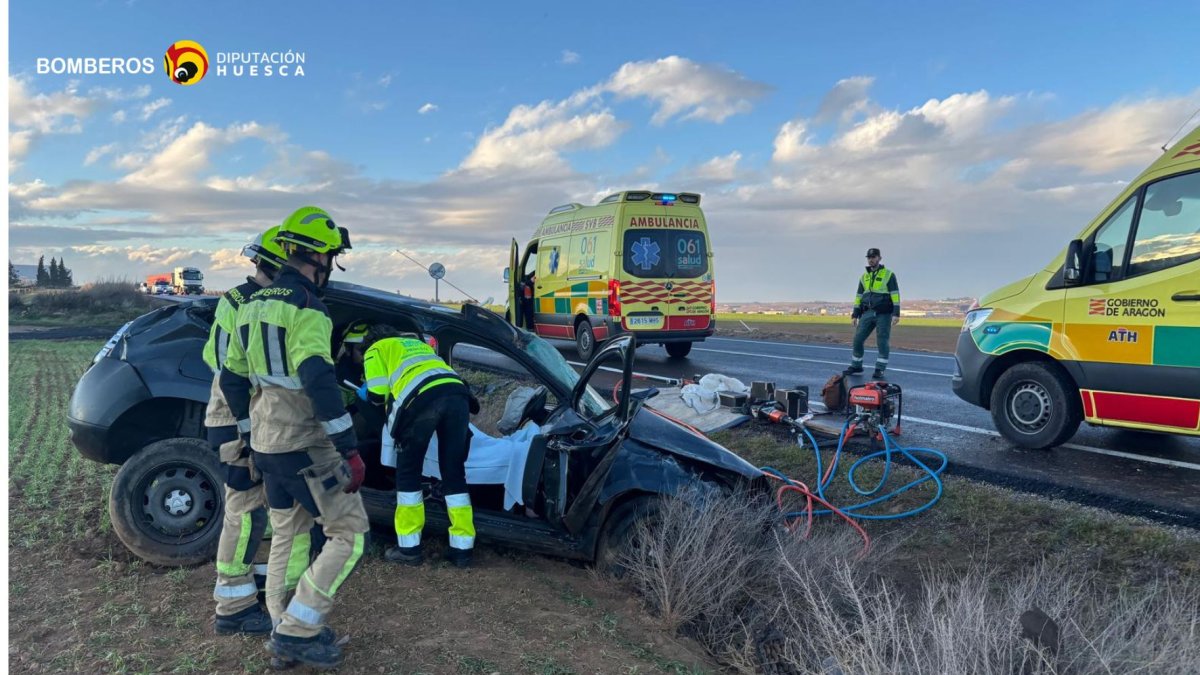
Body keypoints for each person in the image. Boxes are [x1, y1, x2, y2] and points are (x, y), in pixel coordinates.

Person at [220, 206, 365, 670]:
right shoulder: (308, 308)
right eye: (331, 259)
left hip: (266, 444)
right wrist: (349, 448)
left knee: (288, 531)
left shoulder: (252, 304)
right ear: (319, 258)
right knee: (350, 534)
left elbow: (232, 378)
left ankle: (283, 629)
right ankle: (299, 631)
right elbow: (318, 377)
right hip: (306, 444)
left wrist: (247, 432)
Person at [205, 226, 287, 635]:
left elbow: (213, 357)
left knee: (256, 511)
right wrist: (249, 424)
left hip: (241, 418)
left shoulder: (236, 300)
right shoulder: (248, 303)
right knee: (244, 510)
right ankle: (232, 606)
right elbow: (232, 370)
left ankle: (249, 584)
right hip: (237, 420)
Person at [360, 331, 479, 568]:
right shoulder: (418, 346)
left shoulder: (375, 349)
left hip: (421, 400)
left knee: (408, 473)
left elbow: (376, 394)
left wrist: (364, 393)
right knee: (454, 472)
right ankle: (462, 550)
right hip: (458, 395)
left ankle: (409, 548)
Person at [847, 247, 900, 379]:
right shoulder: (864, 277)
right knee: (858, 339)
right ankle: (857, 365)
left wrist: (896, 313)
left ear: (879, 258)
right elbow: (859, 296)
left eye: (874, 257)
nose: (871, 259)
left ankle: (880, 369)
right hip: (868, 313)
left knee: (882, 341)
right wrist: (855, 314)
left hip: (884, 313)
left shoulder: (888, 274)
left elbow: (895, 294)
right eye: (869, 257)